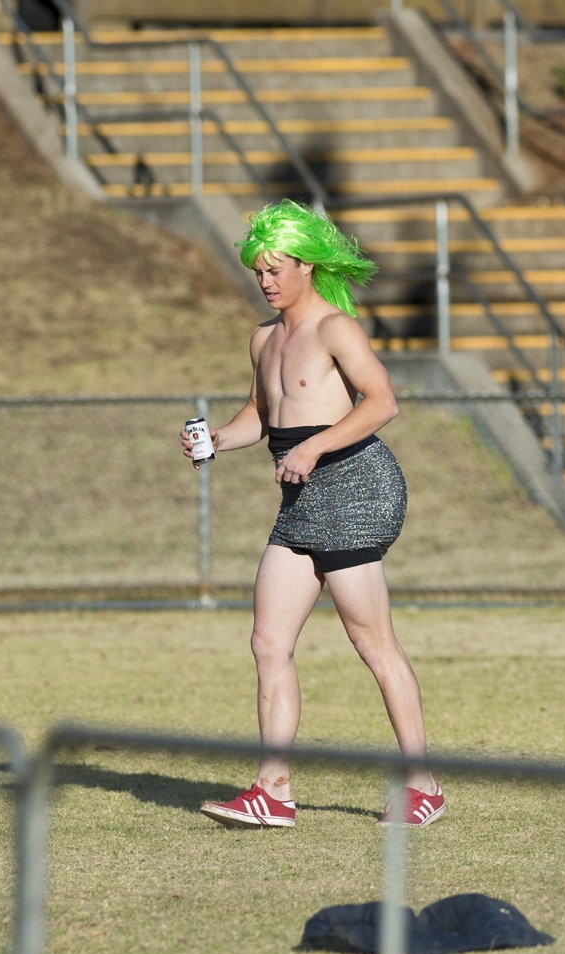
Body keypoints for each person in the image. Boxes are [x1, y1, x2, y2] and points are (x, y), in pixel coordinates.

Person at [181, 198, 444, 829]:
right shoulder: (263, 339)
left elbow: (382, 403)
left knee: (372, 641)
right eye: (259, 271)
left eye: (277, 268)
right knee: (268, 641)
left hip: (356, 486)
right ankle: (273, 791)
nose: (267, 281)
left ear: (306, 265)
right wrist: (216, 438)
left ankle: (423, 786)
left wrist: (317, 445)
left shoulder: (335, 328)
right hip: (302, 496)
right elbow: (262, 416)